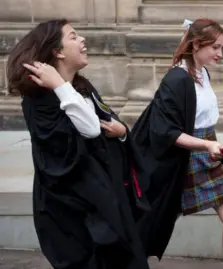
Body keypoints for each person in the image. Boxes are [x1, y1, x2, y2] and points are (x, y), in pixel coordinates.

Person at [6, 19, 150, 269]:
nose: (83, 40)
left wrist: (123, 132)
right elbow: (91, 130)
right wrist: (61, 87)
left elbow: (107, 123)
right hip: (73, 215)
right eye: (73, 37)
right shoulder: (39, 102)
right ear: (58, 52)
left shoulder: (82, 88)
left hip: (105, 203)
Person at [132, 18, 223, 269]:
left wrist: (211, 146)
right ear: (196, 45)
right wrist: (205, 146)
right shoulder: (177, 79)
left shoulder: (202, 72)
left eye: (221, 47)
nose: (220, 54)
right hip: (181, 155)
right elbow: (164, 132)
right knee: (152, 223)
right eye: (215, 47)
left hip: (208, 150)